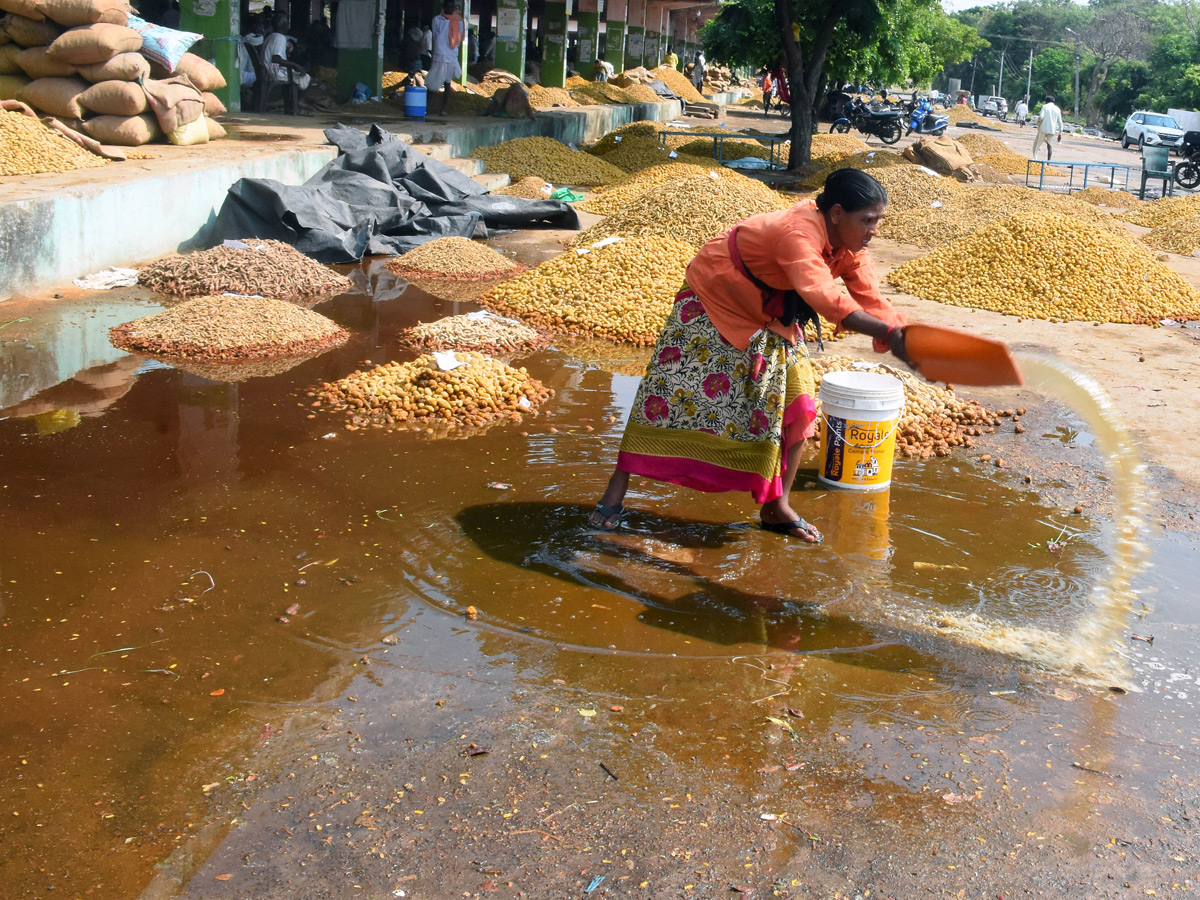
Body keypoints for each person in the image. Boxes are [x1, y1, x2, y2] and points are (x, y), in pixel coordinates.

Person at [588, 169, 911, 541]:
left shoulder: (852, 246)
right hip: (714, 299)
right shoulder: (798, 234)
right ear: (836, 213)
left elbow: (870, 295)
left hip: (769, 311)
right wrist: (889, 333)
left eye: (877, 221)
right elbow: (825, 297)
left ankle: (777, 506)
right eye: (867, 220)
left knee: (800, 399)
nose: (873, 230)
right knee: (667, 394)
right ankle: (616, 488)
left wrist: (901, 333)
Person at [427, 0, 464, 116]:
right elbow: (436, 35)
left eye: (451, 7)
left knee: (448, 84)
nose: (449, 8)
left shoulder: (460, 22)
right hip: (439, 55)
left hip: (451, 56)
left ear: (454, 7)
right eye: (447, 6)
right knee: (432, 83)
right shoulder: (437, 20)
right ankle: (428, 108)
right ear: (443, 7)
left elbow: (458, 39)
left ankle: (443, 109)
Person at [262, 13, 312, 91]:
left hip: (265, 71)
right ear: (284, 25)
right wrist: (296, 66)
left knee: (298, 76)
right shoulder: (280, 37)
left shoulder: (270, 36)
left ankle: (289, 99)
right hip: (273, 73)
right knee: (307, 79)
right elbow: (276, 59)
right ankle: (293, 102)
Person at [1032, 93, 1063, 160]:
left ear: (1046, 101)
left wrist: (1038, 121)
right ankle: (1048, 161)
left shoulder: (1045, 107)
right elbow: (1060, 122)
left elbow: (1041, 117)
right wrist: (1060, 134)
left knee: (1038, 144)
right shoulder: (1057, 109)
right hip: (1052, 130)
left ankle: (1035, 159)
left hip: (1043, 129)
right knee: (1050, 145)